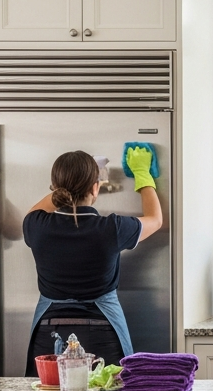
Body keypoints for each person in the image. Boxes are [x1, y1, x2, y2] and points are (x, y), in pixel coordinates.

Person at [21, 147, 163, 375]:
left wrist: (69, 184)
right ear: (95, 188)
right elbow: (155, 220)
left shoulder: (35, 226)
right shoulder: (112, 228)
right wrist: (141, 174)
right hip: (103, 331)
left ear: (55, 188)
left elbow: (36, 210)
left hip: (49, 331)